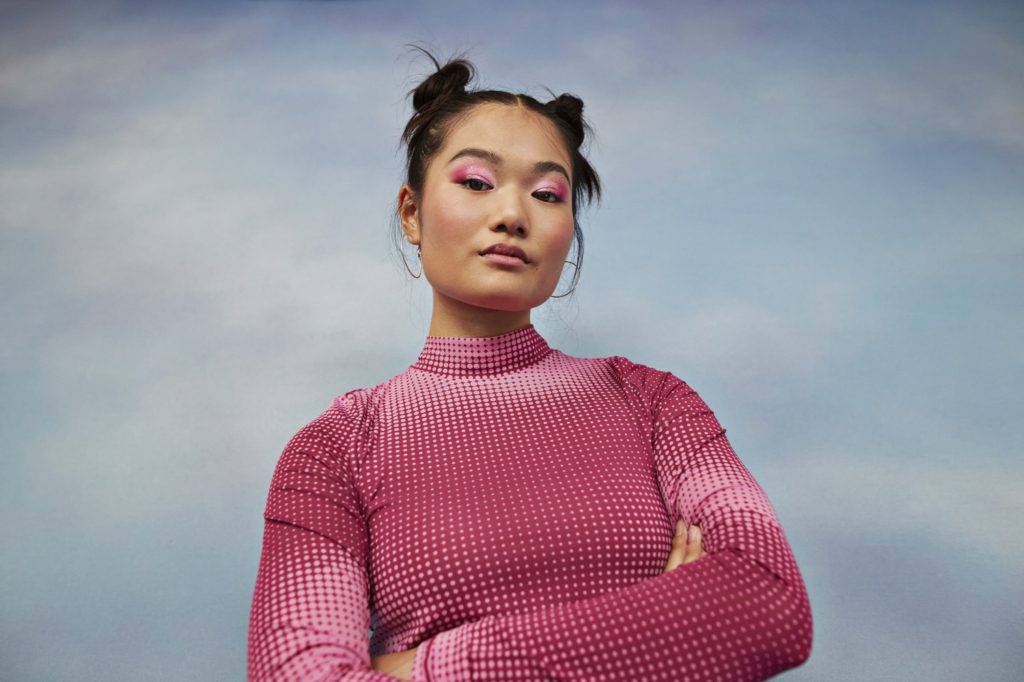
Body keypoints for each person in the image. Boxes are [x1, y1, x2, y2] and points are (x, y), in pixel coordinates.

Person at [247, 51, 813, 681]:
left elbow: (769, 601)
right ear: (411, 213)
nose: (513, 215)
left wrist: (419, 667)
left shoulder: (654, 404)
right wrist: (661, 633)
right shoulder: (335, 450)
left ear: (569, 229)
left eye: (547, 194)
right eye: (475, 183)